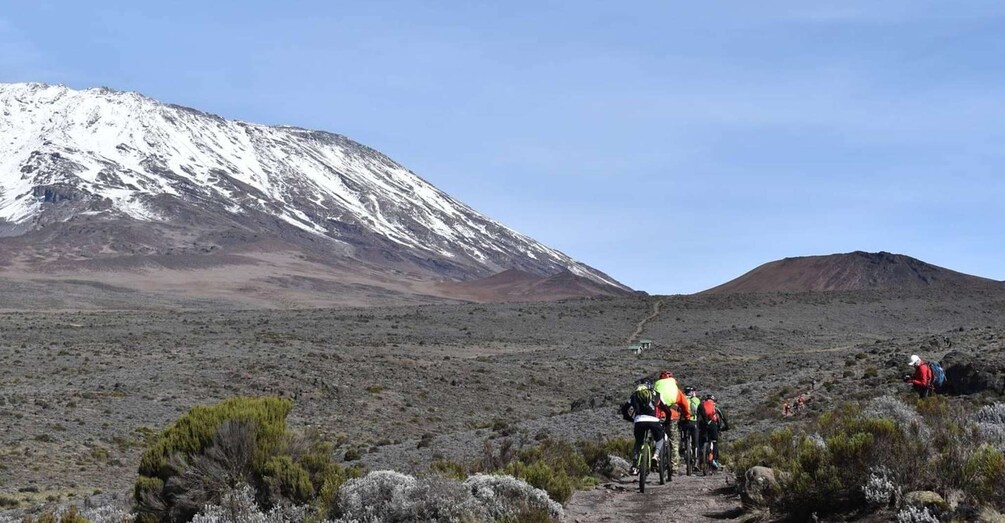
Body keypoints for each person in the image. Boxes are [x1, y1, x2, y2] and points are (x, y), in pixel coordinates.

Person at [620, 382, 666, 476]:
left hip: (639, 421)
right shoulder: (656, 394)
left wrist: (630, 418)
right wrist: (667, 419)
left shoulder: (635, 395)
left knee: (638, 441)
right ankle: (655, 455)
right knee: (660, 438)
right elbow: (666, 408)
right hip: (654, 421)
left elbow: (625, 409)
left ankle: (634, 465)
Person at [654, 371, 692, 474]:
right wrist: (687, 416)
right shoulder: (675, 389)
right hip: (672, 416)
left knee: (656, 437)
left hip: (658, 416)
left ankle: (655, 458)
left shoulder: (656, 387)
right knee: (674, 442)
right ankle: (674, 467)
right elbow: (684, 405)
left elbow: (653, 402)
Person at [697, 394, 729, 469]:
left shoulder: (701, 405)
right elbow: (724, 418)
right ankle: (714, 460)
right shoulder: (716, 408)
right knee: (714, 441)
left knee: (701, 441)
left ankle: (700, 459)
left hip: (703, 425)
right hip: (712, 425)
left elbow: (697, 417)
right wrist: (726, 427)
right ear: (714, 401)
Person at [679, 386, 701, 469]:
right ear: (692, 392)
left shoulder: (682, 398)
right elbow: (701, 412)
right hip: (693, 422)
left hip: (684, 421)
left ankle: (683, 445)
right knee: (695, 443)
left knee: (683, 435)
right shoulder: (696, 400)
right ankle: (696, 460)